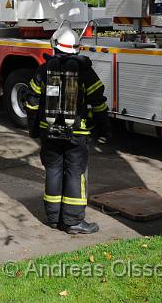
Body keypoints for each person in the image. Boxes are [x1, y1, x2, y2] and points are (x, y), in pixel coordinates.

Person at [25, 26, 111, 234]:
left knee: (53, 171)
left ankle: (54, 219)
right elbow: (98, 102)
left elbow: (31, 102)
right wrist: (104, 130)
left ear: (55, 46)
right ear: (76, 49)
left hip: (49, 131)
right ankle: (73, 222)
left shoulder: (43, 70)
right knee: (74, 173)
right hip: (76, 133)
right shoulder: (85, 72)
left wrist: (35, 128)